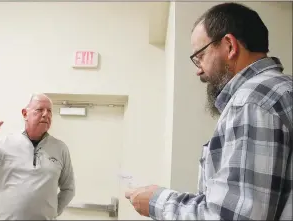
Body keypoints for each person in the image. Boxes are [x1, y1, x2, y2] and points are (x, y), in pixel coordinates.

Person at [125, 2, 292, 220]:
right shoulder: (282, 89)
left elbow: (231, 217)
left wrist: (157, 201)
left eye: (200, 56)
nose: (198, 70)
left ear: (230, 46)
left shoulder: (251, 102)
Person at [0, 93, 75, 220]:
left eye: (49, 111)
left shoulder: (60, 148)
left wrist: (52, 213)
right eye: (40, 109)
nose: (46, 114)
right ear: (25, 114)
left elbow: (68, 189)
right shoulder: (4, 143)